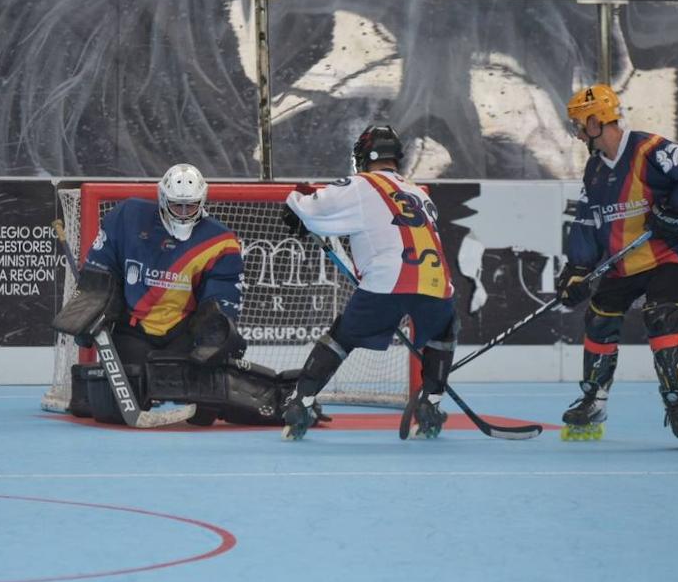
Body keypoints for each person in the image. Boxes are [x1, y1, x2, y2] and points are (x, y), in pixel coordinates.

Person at [57, 163, 297, 426]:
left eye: (190, 206)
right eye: (176, 205)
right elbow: (99, 272)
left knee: (205, 413)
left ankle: (284, 399)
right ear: (163, 199)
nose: (183, 213)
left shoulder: (220, 242)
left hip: (183, 335)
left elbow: (220, 300)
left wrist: (216, 336)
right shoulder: (127, 217)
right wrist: (90, 310)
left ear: (202, 201)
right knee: (110, 409)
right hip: (133, 330)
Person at [555, 83, 678, 447]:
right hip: (624, 262)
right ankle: (593, 401)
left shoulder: (650, 149)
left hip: (669, 255)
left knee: (661, 316)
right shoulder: (594, 170)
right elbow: (586, 219)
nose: (578, 132)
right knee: (599, 318)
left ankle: (677, 403)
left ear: (597, 121)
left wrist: (673, 207)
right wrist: (578, 269)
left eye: (581, 124)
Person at [280, 124, 458, 441]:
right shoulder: (418, 193)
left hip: (387, 281)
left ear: (362, 156)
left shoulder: (361, 184)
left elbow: (309, 206)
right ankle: (431, 403)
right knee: (442, 331)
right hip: (437, 281)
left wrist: (296, 203)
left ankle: (301, 402)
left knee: (342, 337)